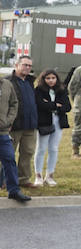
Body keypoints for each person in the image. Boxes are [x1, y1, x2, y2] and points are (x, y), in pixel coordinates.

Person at [32, 69, 71, 187]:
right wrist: (56, 105)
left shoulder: (62, 90)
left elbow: (67, 107)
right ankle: (38, 175)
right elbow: (40, 104)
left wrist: (52, 106)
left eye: (53, 78)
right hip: (44, 122)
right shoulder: (38, 90)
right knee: (41, 148)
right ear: (43, 79)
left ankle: (49, 175)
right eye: (48, 78)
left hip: (58, 121)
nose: (51, 80)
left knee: (53, 148)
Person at [1, 69, 30, 202]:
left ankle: (13, 190)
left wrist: (9, 120)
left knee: (10, 159)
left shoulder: (6, 84)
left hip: (3, 132)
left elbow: (14, 103)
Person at [9, 56, 38, 186]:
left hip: (30, 125)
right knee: (8, 154)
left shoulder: (30, 82)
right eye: (25, 65)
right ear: (17, 65)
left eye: (29, 66)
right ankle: (4, 179)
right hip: (13, 125)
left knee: (27, 152)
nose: (27, 68)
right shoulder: (7, 82)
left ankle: (23, 179)